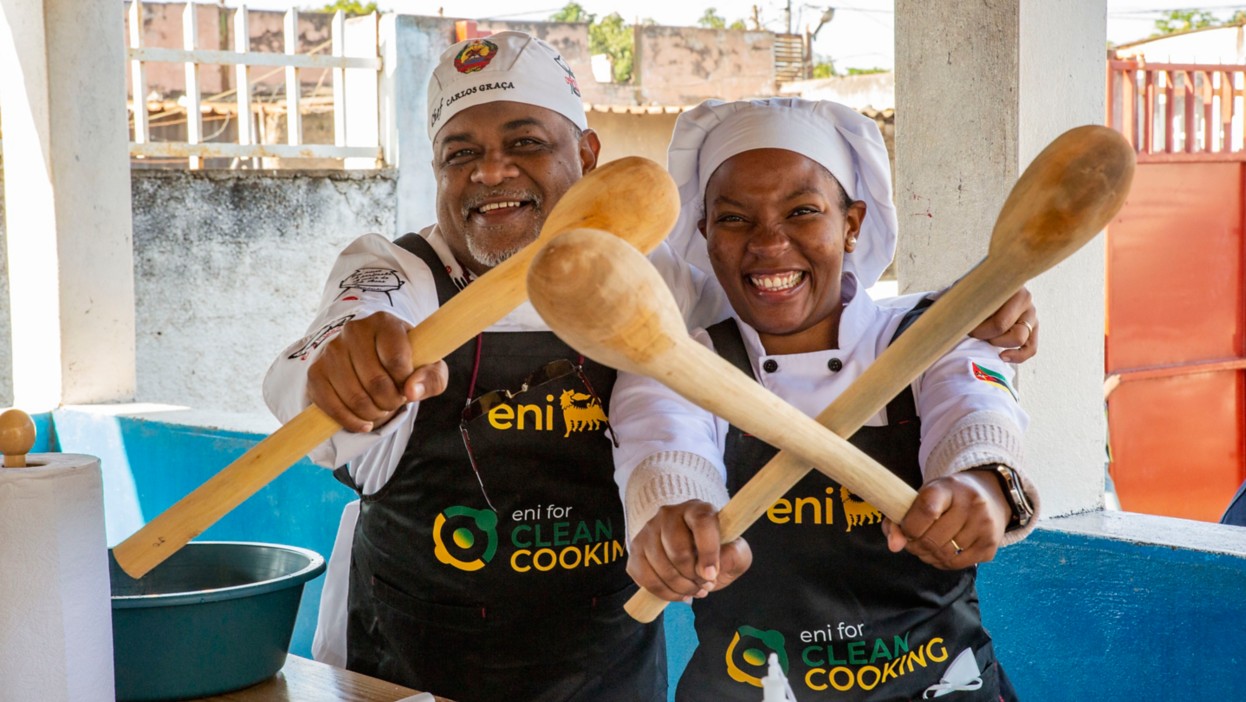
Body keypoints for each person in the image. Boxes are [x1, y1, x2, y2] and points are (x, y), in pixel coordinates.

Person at [263, 33, 1038, 702]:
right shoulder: (402, 279)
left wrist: (963, 316)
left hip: (605, 670)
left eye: (525, 142)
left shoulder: (654, 278)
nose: (491, 172)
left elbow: (811, 306)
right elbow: (328, 349)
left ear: (589, 157)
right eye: (459, 153)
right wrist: (344, 367)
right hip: (412, 666)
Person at [611, 98, 1042, 701]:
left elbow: (976, 410)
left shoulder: (932, 335)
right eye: (734, 219)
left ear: (852, 223)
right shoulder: (680, 364)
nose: (768, 243)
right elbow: (663, 448)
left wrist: (981, 486)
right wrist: (673, 525)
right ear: (705, 233)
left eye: (802, 211)